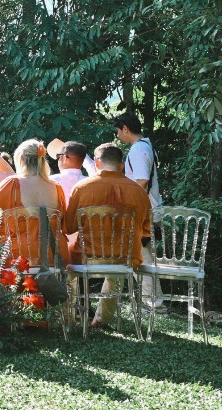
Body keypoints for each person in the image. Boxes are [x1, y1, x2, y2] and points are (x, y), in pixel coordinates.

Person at [63, 143, 152, 327]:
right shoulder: (138, 191)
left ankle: (70, 316)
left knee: (66, 265)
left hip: (86, 256)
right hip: (124, 258)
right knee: (118, 266)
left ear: (96, 162)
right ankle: (101, 320)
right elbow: (146, 229)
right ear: (121, 165)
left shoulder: (82, 187)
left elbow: (69, 227)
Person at [0, 139, 70, 262]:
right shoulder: (57, 188)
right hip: (54, 256)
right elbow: (65, 226)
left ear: (21, 160)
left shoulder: (12, 185)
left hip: (20, 258)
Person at [116, 111, 164, 311]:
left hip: (143, 211)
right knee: (141, 255)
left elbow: (142, 180)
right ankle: (151, 301)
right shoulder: (146, 146)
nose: (118, 136)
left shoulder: (138, 150)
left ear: (126, 129)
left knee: (142, 257)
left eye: (118, 131)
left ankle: (154, 303)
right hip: (149, 209)